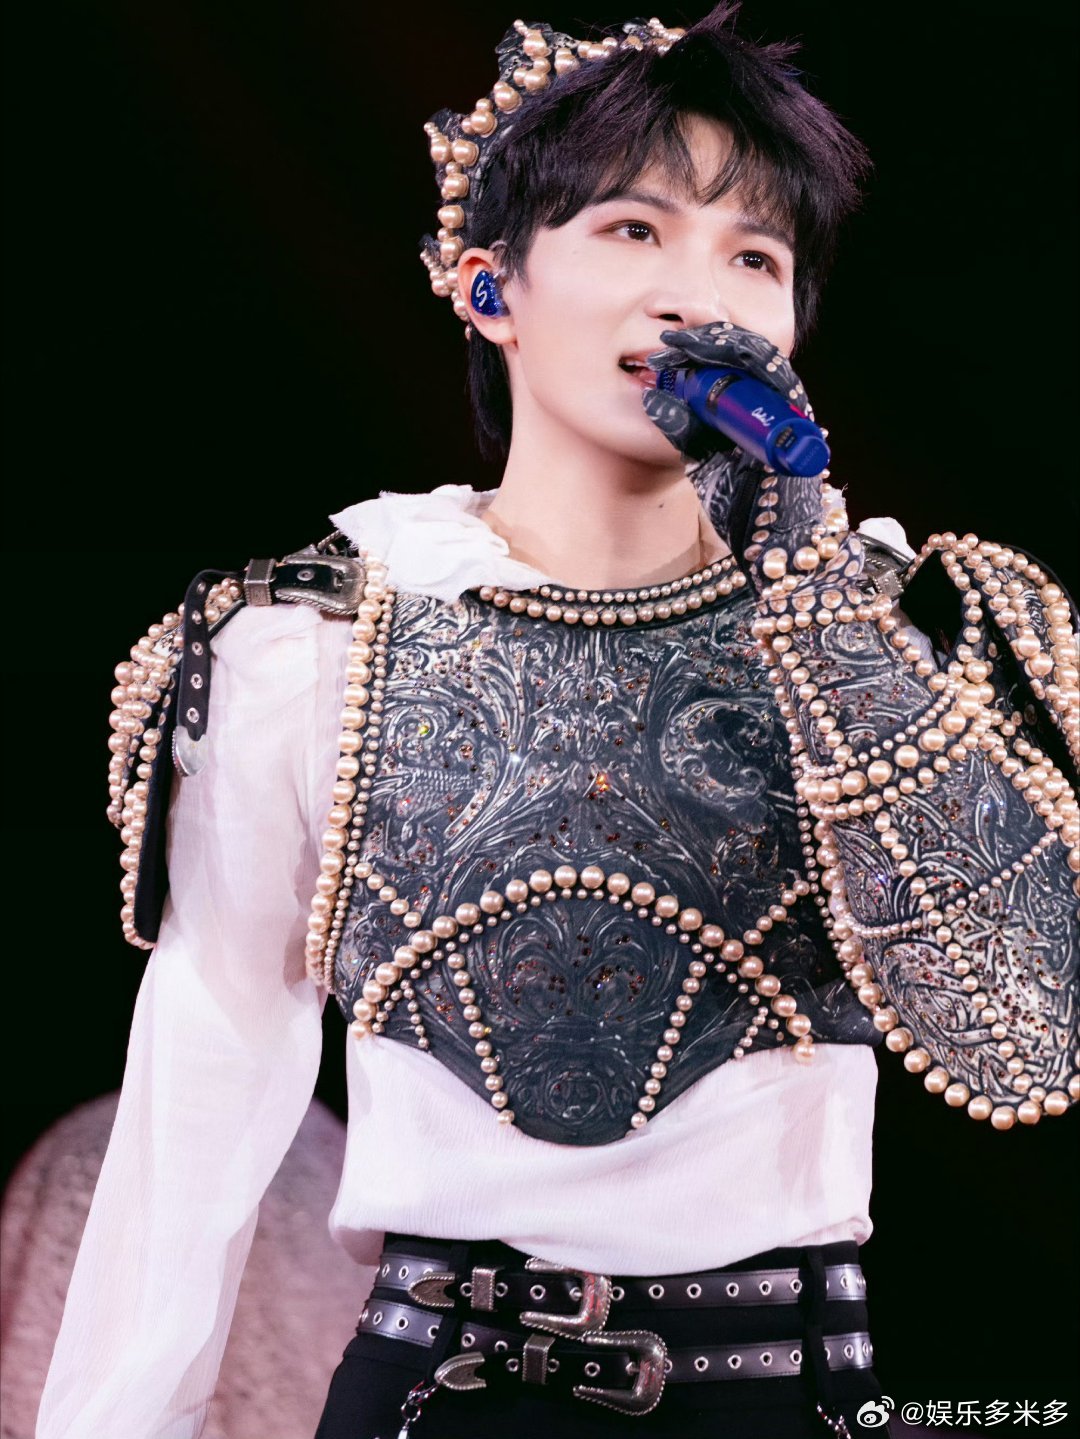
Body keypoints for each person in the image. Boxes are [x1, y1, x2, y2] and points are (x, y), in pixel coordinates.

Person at [36, 6, 1079, 1438]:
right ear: (489, 289)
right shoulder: (309, 646)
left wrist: (812, 596)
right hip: (439, 1389)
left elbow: (1024, 1036)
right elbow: (199, 1095)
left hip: (781, 1394)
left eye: (755, 257)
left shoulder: (894, 626)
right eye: (635, 231)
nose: (697, 298)